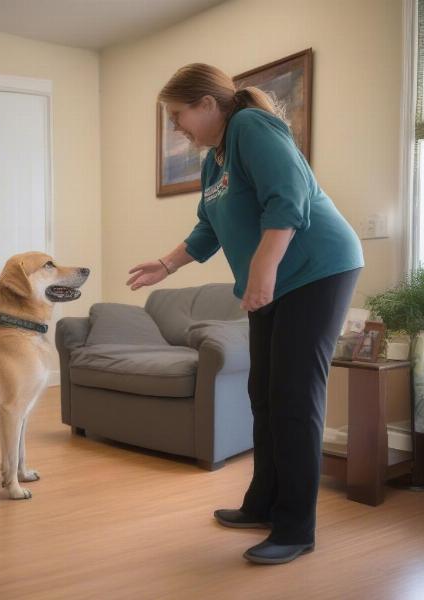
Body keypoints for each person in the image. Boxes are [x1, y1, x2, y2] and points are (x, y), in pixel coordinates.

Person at [126, 63, 364, 565]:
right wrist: (165, 264)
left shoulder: (250, 127)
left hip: (317, 267)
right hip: (276, 275)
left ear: (208, 104)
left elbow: (289, 199)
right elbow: (209, 227)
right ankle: (263, 504)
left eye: (178, 115)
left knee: (295, 396)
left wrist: (263, 268)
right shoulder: (216, 159)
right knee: (264, 393)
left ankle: (296, 527)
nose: (176, 127)